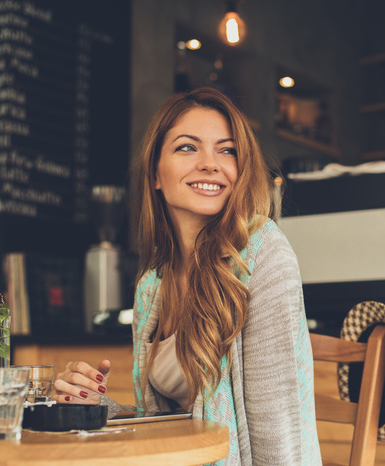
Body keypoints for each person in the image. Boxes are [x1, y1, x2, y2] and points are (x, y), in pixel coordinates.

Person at [52, 87, 322, 465]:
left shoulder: (263, 255)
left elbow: (276, 431)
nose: (211, 163)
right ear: (155, 175)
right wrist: (101, 407)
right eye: (187, 147)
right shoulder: (152, 286)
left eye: (227, 150)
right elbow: (173, 424)